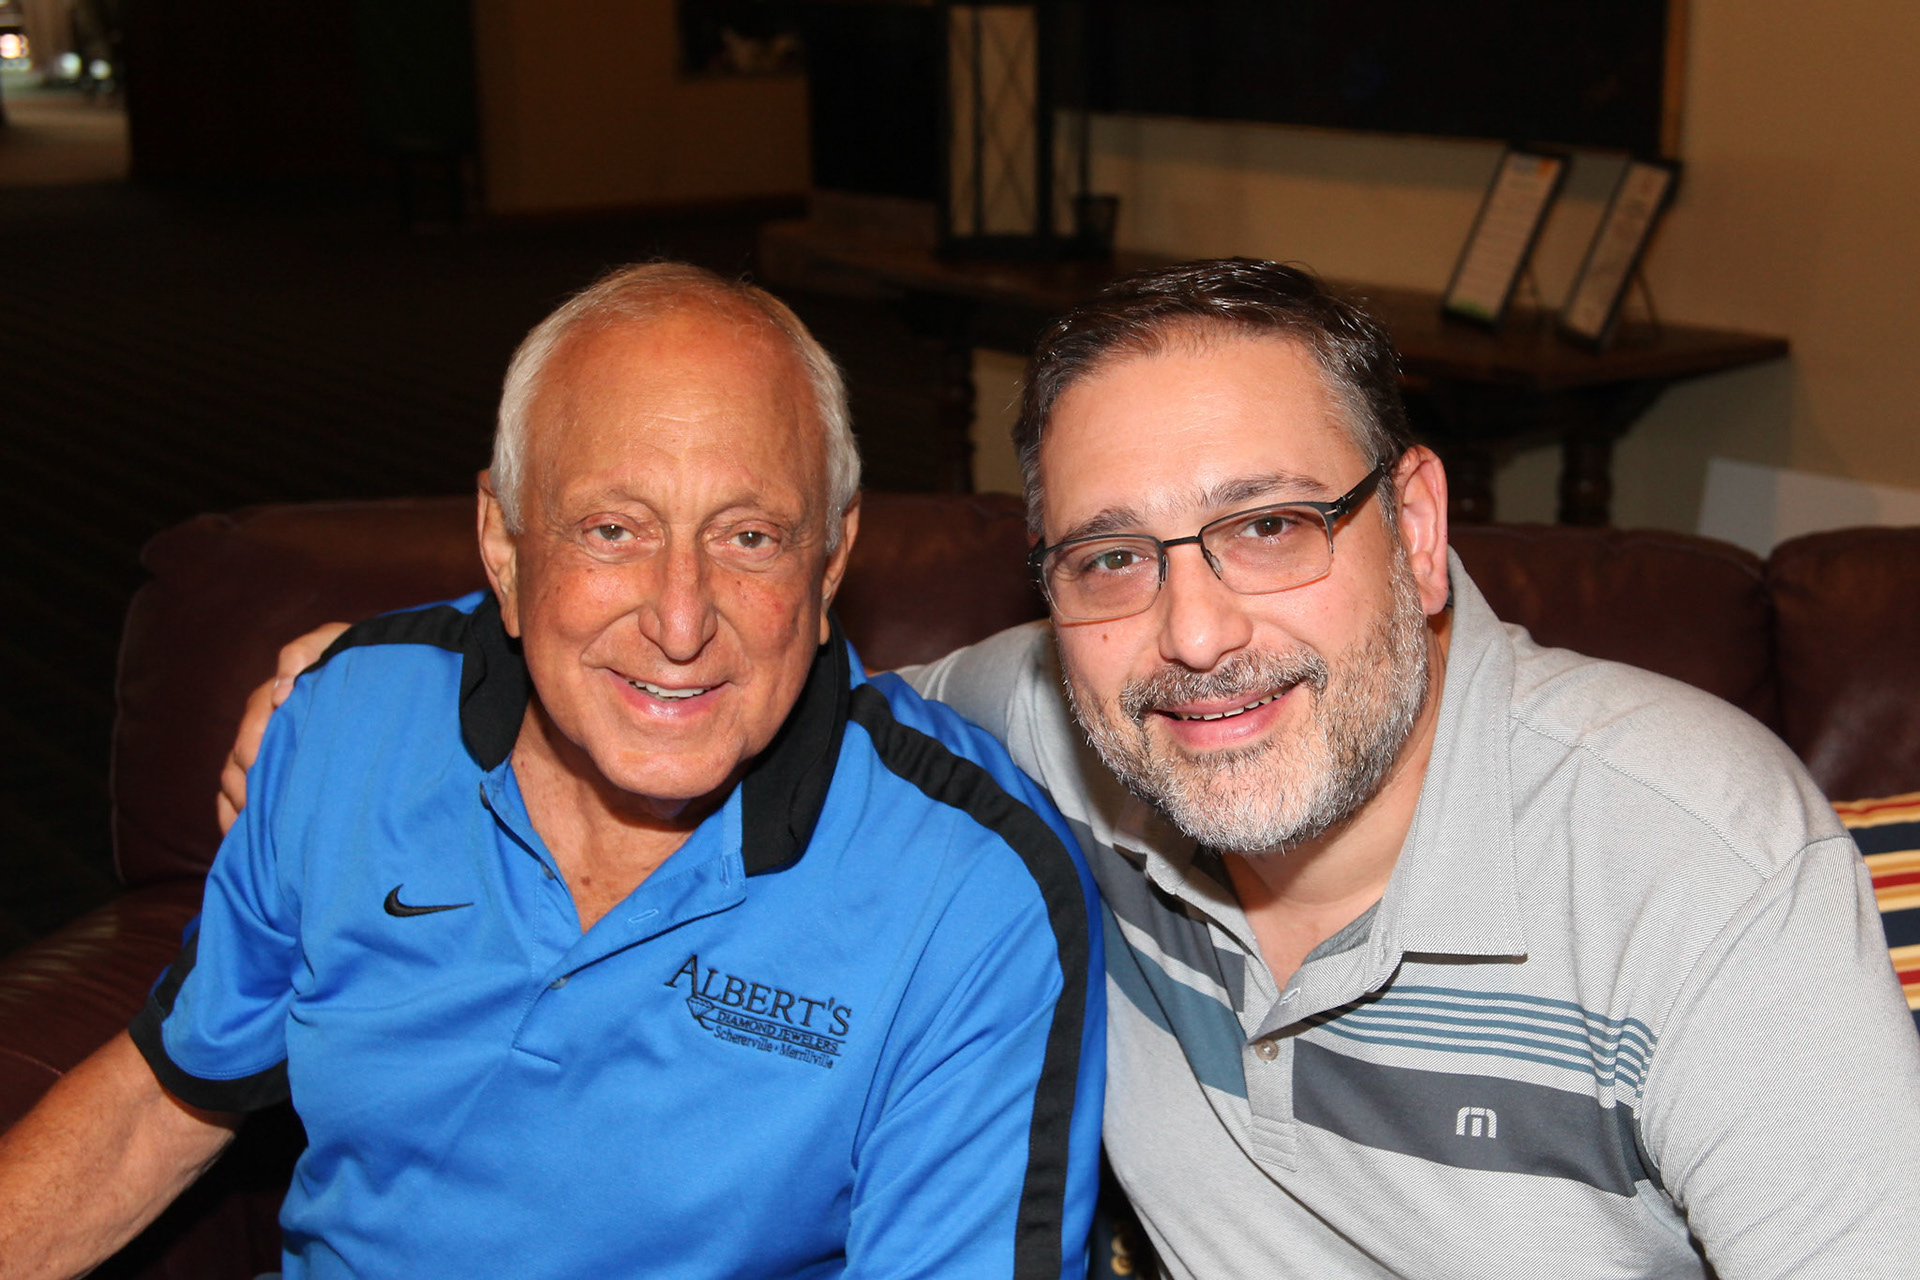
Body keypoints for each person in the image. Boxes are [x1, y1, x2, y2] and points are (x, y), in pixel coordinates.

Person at [222, 260, 1920, 1278]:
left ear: (1412, 526)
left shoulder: (1698, 863)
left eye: (1266, 526)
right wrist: (400, 663)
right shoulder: (1051, 740)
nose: (1193, 633)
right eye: (1110, 557)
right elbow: (717, 653)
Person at [0, 263, 1104, 1280]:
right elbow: (164, 1099)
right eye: (612, 529)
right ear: (503, 539)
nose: (680, 619)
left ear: (831, 561)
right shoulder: (343, 722)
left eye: (751, 537)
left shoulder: (973, 893)